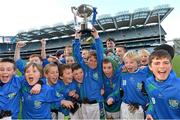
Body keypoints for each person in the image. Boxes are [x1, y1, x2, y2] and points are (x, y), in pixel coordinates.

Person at [72, 27, 105, 119]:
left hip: (97, 105)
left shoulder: (99, 69)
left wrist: (97, 37)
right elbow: (77, 55)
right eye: (90, 60)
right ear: (87, 60)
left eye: (95, 60)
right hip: (84, 105)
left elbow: (100, 53)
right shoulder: (85, 68)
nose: (93, 62)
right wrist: (77, 39)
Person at [145, 50, 180, 119]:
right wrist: (149, 113)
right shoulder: (148, 82)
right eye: (157, 63)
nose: (162, 66)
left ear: (170, 66)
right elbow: (152, 100)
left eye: (166, 63)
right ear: (150, 67)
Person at [120, 50, 149, 119]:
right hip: (125, 106)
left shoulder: (144, 73)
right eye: (126, 62)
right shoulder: (123, 74)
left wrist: (146, 68)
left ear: (138, 63)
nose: (128, 65)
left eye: (131, 62)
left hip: (138, 108)